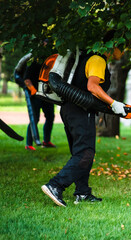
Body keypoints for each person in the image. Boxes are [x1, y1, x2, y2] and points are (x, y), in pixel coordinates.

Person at [41, 32, 126, 207]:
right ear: (114, 45)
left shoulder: (88, 57)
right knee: (85, 153)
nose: (124, 51)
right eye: (123, 46)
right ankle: (55, 185)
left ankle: (82, 192)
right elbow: (92, 86)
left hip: (69, 109)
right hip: (80, 110)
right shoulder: (98, 59)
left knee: (79, 152)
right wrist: (114, 103)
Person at [23, 60, 56, 150]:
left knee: (50, 117)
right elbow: (26, 79)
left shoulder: (51, 61)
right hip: (35, 95)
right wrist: (33, 91)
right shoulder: (33, 61)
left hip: (47, 95)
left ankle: (46, 141)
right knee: (35, 118)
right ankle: (29, 144)